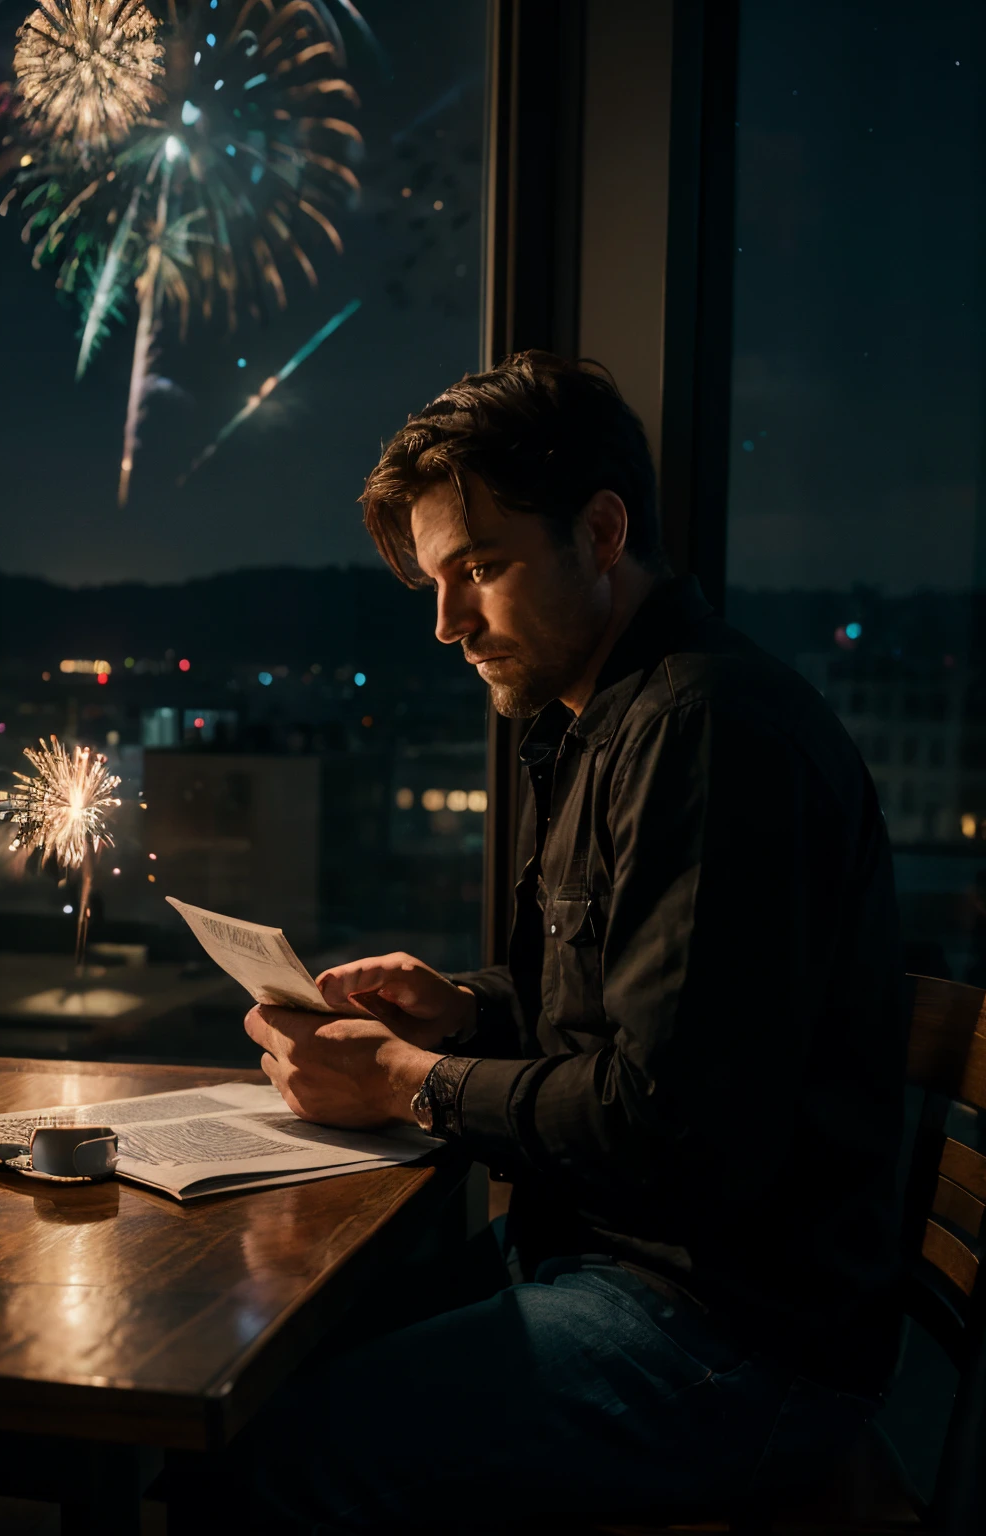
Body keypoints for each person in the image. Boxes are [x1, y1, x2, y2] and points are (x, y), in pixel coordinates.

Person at [243, 352, 907, 1530]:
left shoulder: (706, 734)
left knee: (291, 1449)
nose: (449, 625)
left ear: (601, 533)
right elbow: (647, 1016)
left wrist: (409, 1082)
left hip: (734, 1335)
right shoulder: (606, 720)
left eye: (482, 569)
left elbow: (671, 1123)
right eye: (438, 585)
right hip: (624, 1272)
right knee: (254, 1374)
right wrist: (463, 1010)